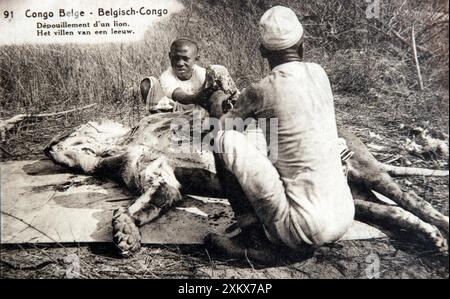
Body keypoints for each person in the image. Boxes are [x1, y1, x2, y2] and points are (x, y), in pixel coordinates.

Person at [204, 6, 355, 263]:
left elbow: (226, 125)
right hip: (343, 216)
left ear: (263, 51)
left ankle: (253, 239)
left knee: (220, 138)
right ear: (302, 43)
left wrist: (218, 106)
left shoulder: (260, 90)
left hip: (301, 229)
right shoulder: (319, 73)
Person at [140, 37, 209, 114]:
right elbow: (178, 95)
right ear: (170, 56)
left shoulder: (202, 73)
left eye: (185, 59)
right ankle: (159, 117)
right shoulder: (166, 76)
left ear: (196, 59)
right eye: (176, 58)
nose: (180, 63)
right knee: (147, 83)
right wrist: (197, 97)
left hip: (199, 109)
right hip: (174, 111)